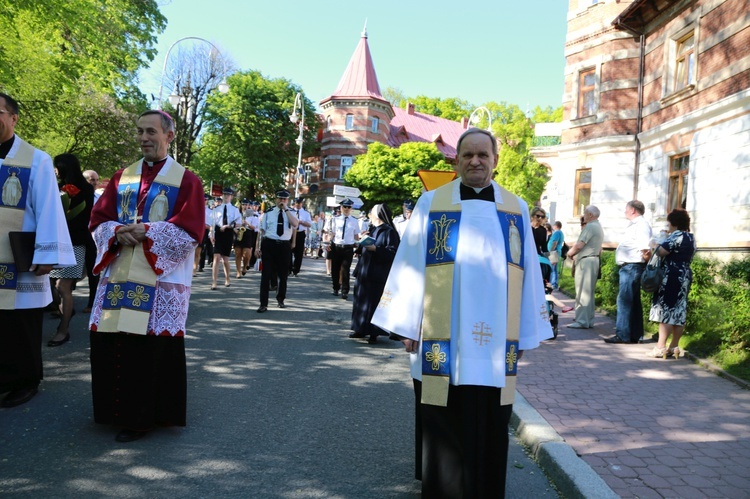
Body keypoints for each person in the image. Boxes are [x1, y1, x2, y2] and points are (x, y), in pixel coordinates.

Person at [371, 128, 552, 498]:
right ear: (456, 160)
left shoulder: (514, 207)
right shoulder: (432, 203)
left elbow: (530, 271)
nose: (475, 161)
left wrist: (528, 330)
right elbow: (409, 263)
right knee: (444, 413)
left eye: (483, 155)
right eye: (467, 155)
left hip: (496, 336)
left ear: (495, 161)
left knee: (489, 419)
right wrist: (407, 323)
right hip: (443, 333)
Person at [88, 109, 204, 442]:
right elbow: (98, 220)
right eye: (140, 132)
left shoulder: (188, 181)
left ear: (169, 136)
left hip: (160, 277)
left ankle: (144, 417)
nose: (144, 138)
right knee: (116, 339)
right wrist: (117, 231)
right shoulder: (121, 177)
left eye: (151, 132)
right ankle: (113, 410)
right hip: (119, 274)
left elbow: (191, 229)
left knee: (147, 347)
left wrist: (147, 232)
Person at [0, 92, 75, 408]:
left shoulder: (36, 159)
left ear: (13, 118)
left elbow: (48, 209)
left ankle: (26, 380)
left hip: (18, 257)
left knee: (21, 323)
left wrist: (47, 255)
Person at [47, 153, 95, 347]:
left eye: (57, 166)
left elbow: (84, 219)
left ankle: (63, 329)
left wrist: (64, 225)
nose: (55, 171)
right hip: (54, 243)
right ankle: (65, 309)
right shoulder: (55, 188)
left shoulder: (86, 190)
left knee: (62, 286)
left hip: (75, 243)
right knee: (50, 284)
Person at [647, 209, 696, 358]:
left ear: (674, 223)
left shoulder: (676, 236)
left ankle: (660, 347)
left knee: (666, 310)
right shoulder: (691, 237)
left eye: (669, 223)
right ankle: (674, 347)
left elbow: (661, 252)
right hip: (685, 275)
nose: (668, 226)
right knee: (679, 310)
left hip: (671, 276)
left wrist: (655, 245)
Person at [350, 203, 400, 344]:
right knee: (360, 300)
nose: (369, 215)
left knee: (373, 303)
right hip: (364, 270)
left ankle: (373, 333)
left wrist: (375, 249)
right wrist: (361, 245)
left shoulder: (389, 232)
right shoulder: (372, 229)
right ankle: (359, 329)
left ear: (377, 215)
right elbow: (364, 247)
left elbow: (393, 252)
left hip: (377, 273)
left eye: (371, 213)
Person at [605, 200, 652, 344]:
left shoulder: (641, 225)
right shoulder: (635, 224)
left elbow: (646, 248)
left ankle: (623, 334)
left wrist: (645, 264)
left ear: (633, 210)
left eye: (626, 209)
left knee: (624, 301)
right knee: (633, 302)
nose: (625, 211)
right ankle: (635, 335)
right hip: (630, 266)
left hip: (632, 266)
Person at [256, 190, 298, 312]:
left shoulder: (292, 213)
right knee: (266, 275)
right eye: (280, 199)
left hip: (284, 245)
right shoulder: (268, 213)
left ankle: (281, 299)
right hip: (269, 244)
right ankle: (263, 303)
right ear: (276, 199)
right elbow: (261, 232)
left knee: (283, 275)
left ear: (288, 200)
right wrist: (258, 247)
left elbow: (295, 224)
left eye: (284, 199)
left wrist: (286, 209)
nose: (282, 201)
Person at [566, 205, 604, 329]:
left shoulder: (590, 226)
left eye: (585, 213)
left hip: (586, 261)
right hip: (593, 260)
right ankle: (588, 319)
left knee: (582, 291)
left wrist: (569, 253)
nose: (584, 215)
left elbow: (579, 245)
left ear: (591, 215)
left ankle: (581, 321)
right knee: (588, 292)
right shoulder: (598, 226)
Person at [208, 187, 241, 289]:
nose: (226, 196)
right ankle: (214, 282)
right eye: (224, 194)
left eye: (228, 195)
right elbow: (212, 224)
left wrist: (228, 226)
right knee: (216, 258)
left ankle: (227, 279)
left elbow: (238, 223)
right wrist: (211, 234)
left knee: (225, 259)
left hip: (228, 233)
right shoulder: (216, 209)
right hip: (218, 233)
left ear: (231, 197)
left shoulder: (235, 210)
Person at [325, 198, 358, 300]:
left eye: (349, 207)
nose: (346, 209)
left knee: (345, 270)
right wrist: (328, 242)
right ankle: (336, 288)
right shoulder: (335, 219)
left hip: (348, 248)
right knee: (335, 269)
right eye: (345, 207)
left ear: (351, 208)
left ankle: (345, 291)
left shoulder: (354, 221)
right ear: (341, 207)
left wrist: (358, 244)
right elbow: (332, 233)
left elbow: (356, 235)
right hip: (336, 247)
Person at [82, 169, 101, 313]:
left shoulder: (100, 198)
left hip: (93, 240)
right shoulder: (76, 197)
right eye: (91, 179)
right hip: (77, 238)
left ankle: (92, 302)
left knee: (93, 272)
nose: (94, 183)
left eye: (96, 180)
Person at [233, 198, 256, 278]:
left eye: (246, 204)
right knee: (238, 253)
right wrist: (235, 229)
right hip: (239, 232)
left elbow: (254, 227)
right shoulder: (237, 213)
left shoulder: (252, 214)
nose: (245, 206)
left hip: (248, 233)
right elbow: (232, 223)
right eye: (243, 204)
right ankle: (238, 272)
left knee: (247, 254)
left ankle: (245, 267)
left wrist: (247, 224)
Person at [290, 197, 312, 276]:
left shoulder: (306, 213)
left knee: (298, 253)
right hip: (291, 233)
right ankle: (289, 268)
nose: (298, 204)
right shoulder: (290, 211)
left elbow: (309, 224)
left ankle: (296, 270)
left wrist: (301, 222)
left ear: (302, 203)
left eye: (299, 203)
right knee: (289, 252)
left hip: (300, 233)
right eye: (296, 203)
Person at [547, 221, 565, 289]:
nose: (553, 227)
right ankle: (555, 284)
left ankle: (553, 284)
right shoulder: (561, 233)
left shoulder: (557, 233)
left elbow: (555, 242)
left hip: (554, 252)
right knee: (555, 269)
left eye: (553, 226)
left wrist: (551, 251)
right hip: (557, 252)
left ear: (556, 226)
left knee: (553, 269)